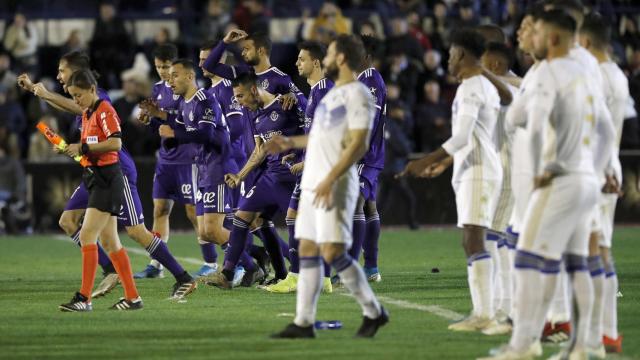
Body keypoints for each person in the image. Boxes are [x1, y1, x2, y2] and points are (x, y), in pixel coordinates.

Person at [482, 10, 615, 359]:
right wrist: (601, 167)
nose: (530, 38)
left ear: (552, 38)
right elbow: (605, 127)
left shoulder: (549, 72)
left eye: (536, 32)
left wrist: (546, 166)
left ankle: (523, 344)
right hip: (584, 177)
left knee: (525, 258)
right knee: (577, 262)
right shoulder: (585, 69)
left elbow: (535, 122)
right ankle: (588, 345)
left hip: (557, 180)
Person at [17, 51, 197, 300]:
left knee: (135, 231)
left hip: (116, 171)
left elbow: (87, 118)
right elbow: (73, 107)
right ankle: (110, 273)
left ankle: (182, 277)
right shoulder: (84, 100)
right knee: (70, 222)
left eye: (62, 71)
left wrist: (45, 94)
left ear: (77, 73)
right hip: (94, 172)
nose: (59, 76)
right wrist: (40, 94)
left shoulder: (97, 98)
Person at [268, 34, 388, 339]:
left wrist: (331, 179)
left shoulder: (359, 94)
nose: (328, 58)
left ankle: (374, 311)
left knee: (334, 253)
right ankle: (303, 322)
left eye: (332, 53)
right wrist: (289, 142)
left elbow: (358, 144)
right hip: (314, 180)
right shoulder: (333, 94)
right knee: (307, 247)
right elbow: (320, 137)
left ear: (342, 58)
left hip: (334, 181)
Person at [401, 29, 502, 332]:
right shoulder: (478, 85)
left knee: (474, 239)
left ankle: (485, 313)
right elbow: (472, 138)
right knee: (479, 240)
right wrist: (445, 163)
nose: (447, 61)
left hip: (480, 170)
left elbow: (461, 136)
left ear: (461, 55)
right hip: (475, 167)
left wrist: (425, 160)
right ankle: (488, 310)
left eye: (450, 55)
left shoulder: (472, 86)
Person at [201, 71, 305, 289]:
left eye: (240, 96)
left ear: (254, 90)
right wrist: (240, 176)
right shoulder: (257, 115)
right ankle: (227, 274)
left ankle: (306, 275)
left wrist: (304, 159)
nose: (238, 102)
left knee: (299, 226)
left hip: (291, 178)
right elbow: (260, 152)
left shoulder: (288, 104)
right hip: (270, 177)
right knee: (241, 217)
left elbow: (313, 128)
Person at [58, 69, 141, 312]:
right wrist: (74, 150)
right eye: (73, 96)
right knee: (110, 241)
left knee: (86, 235)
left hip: (108, 179)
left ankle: (84, 298)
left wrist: (82, 147)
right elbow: (91, 149)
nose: (76, 100)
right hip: (96, 178)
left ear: (92, 90)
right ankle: (133, 298)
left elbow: (116, 142)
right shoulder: (87, 113)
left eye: (79, 95)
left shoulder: (105, 110)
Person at [134, 44, 214, 279]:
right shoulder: (159, 89)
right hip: (165, 159)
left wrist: (162, 117)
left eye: (166, 66)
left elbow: (186, 118)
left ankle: (210, 261)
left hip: (188, 158)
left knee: (192, 211)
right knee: (160, 209)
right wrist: (149, 119)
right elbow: (162, 124)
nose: (162, 72)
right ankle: (156, 264)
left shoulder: (185, 87)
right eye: (158, 67)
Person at [264, 41, 334, 294]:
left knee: (301, 218)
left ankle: (299, 276)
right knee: (301, 218)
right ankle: (321, 278)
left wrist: (307, 161)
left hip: (321, 168)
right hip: (312, 165)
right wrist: (295, 153)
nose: (297, 63)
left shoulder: (325, 90)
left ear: (316, 62)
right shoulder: (314, 91)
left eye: (302, 59)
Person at [579, 11, 628, 354]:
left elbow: (600, 126)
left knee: (589, 252)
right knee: (601, 249)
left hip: (597, 171)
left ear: (584, 41)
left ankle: (597, 333)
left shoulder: (596, 74)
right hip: (607, 168)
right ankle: (607, 332)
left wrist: (605, 168)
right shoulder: (618, 74)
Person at [479, 40, 519, 336]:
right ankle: (505, 309)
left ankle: (505, 310)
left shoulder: (511, 85)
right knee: (503, 238)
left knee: (496, 238)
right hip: (509, 169)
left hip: (511, 170)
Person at [346, 35, 387, 284]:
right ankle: (371, 267)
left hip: (365, 154)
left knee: (356, 203)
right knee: (369, 206)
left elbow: (368, 121)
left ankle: (350, 268)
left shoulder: (370, 80)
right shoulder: (361, 80)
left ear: (367, 56)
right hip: (367, 153)